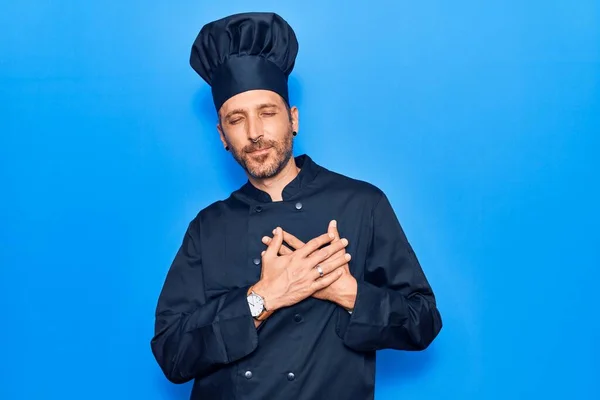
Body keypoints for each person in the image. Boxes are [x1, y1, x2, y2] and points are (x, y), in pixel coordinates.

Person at [150, 11, 442, 400]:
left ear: (293, 119)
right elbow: (172, 354)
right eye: (236, 120)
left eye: (267, 113)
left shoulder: (361, 204)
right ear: (222, 135)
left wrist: (348, 292)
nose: (254, 133)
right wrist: (264, 297)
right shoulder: (208, 227)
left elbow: (423, 322)